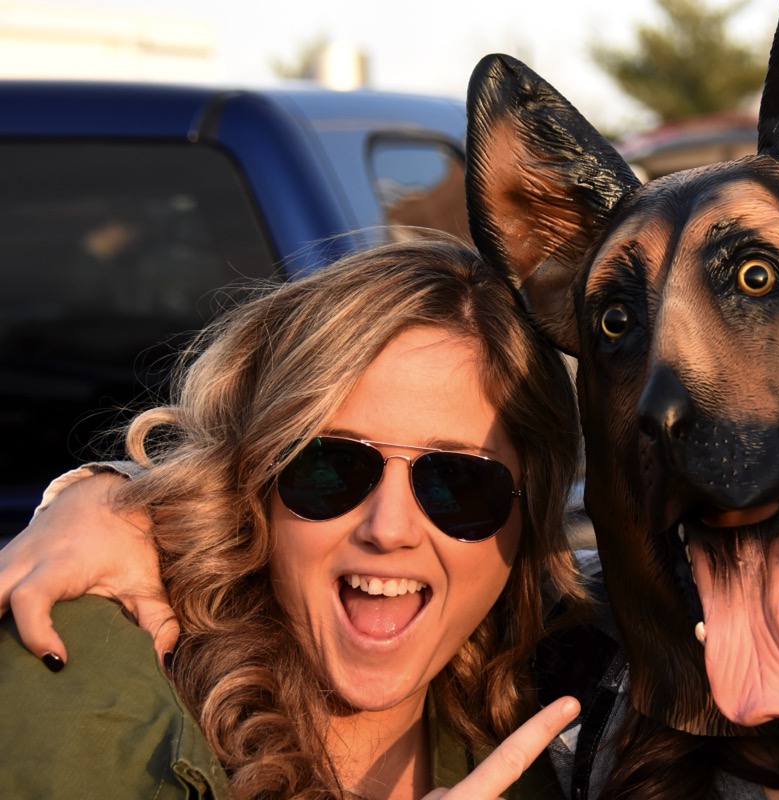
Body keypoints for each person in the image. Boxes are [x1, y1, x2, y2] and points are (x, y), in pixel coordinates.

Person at [0, 236, 590, 799]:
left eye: (458, 482)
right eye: (330, 466)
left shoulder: (575, 697)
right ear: (250, 479)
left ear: (531, 511)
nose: (389, 528)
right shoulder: (89, 682)